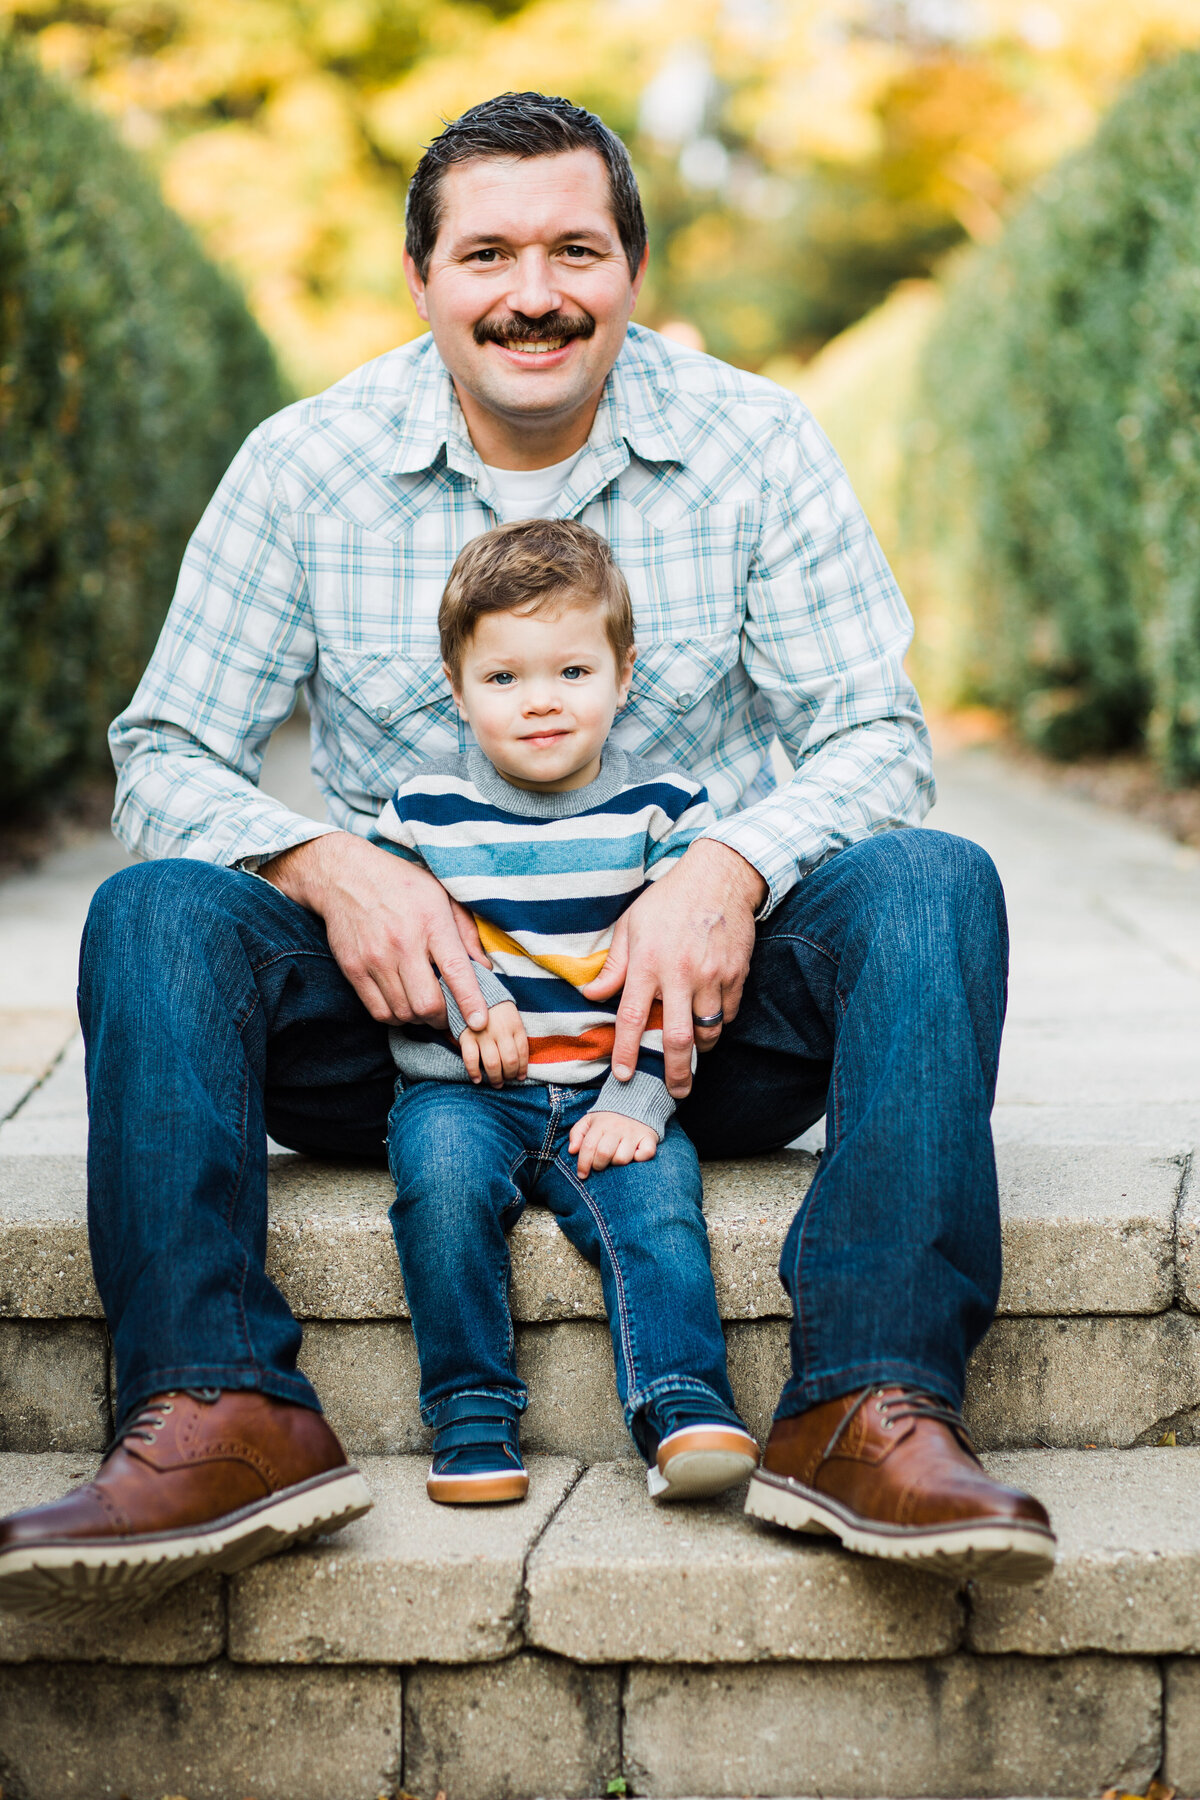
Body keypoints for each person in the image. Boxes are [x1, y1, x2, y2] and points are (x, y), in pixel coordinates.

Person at [0, 88, 1054, 1619]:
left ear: (632, 267)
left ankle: (866, 1405)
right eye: (487, 253)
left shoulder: (756, 445)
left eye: (577, 248)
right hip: (412, 1045)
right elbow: (163, 757)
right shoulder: (305, 466)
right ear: (422, 277)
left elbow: (877, 739)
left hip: (684, 1036)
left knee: (936, 884)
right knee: (156, 913)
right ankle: (222, 1406)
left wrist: (731, 869)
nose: (535, 293)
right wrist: (323, 862)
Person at [379, 517, 757, 1505]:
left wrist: (640, 1102)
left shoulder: (666, 812)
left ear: (623, 675)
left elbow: (684, 985)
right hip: (467, 1092)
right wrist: (471, 1017)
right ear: (456, 690)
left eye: (572, 672)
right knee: (440, 1190)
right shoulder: (418, 816)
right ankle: (470, 1419)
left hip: (610, 1088)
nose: (540, 701)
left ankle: (685, 1412)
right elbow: (398, 970)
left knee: (660, 1212)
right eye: (503, 678)